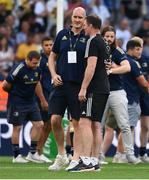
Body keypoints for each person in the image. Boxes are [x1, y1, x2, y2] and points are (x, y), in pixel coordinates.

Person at [68, 14, 110, 172]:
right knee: (96, 124)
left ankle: (86, 160)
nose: (83, 26)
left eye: (85, 24)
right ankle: (94, 161)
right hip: (104, 87)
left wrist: (84, 88)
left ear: (91, 25)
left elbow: (91, 66)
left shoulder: (92, 41)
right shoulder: (104, 42)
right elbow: (107, 66)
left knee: (85, 121)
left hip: (94, 89)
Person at [48, 7, 87, 171]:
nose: (77, 20)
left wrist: (85, 87)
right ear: (71, 18)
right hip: (60, 84)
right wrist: (53, 74)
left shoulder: (88, 37)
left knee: (76, 123)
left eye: (80, 18)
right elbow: (52, 56)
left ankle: (75, 158)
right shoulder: (62, 34)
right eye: (75, 17)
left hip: (77, 86)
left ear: (85, 20)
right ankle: (62, 155)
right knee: (54, 120)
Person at [101, 26, 141, 164]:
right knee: (98, 125)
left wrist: (112, 70)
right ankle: (96, 155)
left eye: (111, 36)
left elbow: (127, 67)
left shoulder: (117, 51)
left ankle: (130, 155)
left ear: (114, 37)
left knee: (125, 124)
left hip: (116, 91)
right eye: (107, 36)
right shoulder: (96, 49)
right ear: (102, 36)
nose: (109, 39)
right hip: (100, 91)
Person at [2, 51, 44, 163]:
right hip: (17, 102)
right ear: (27, 60)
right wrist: (15, 93)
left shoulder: (38, 70)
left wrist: (43, 100)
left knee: (39, 124)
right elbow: (5, 85)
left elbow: (37, 84)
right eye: (34, 63)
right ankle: (16, 156)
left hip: (31, 102)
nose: (36, 65)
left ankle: (32, 153)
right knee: (17, 127)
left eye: (37, 63)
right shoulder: (19, 68)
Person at [35, 37, 54, 163]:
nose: (49, 47)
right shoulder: (41, 61)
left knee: (49, 124)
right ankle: (36, 151)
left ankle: (38, 151)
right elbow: (37, 80)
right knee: (42, 124)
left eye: (51, 44)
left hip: (52, 95)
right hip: (43, 97)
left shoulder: (54, 58)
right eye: (46, 45)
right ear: (42, 46)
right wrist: (42, 99)